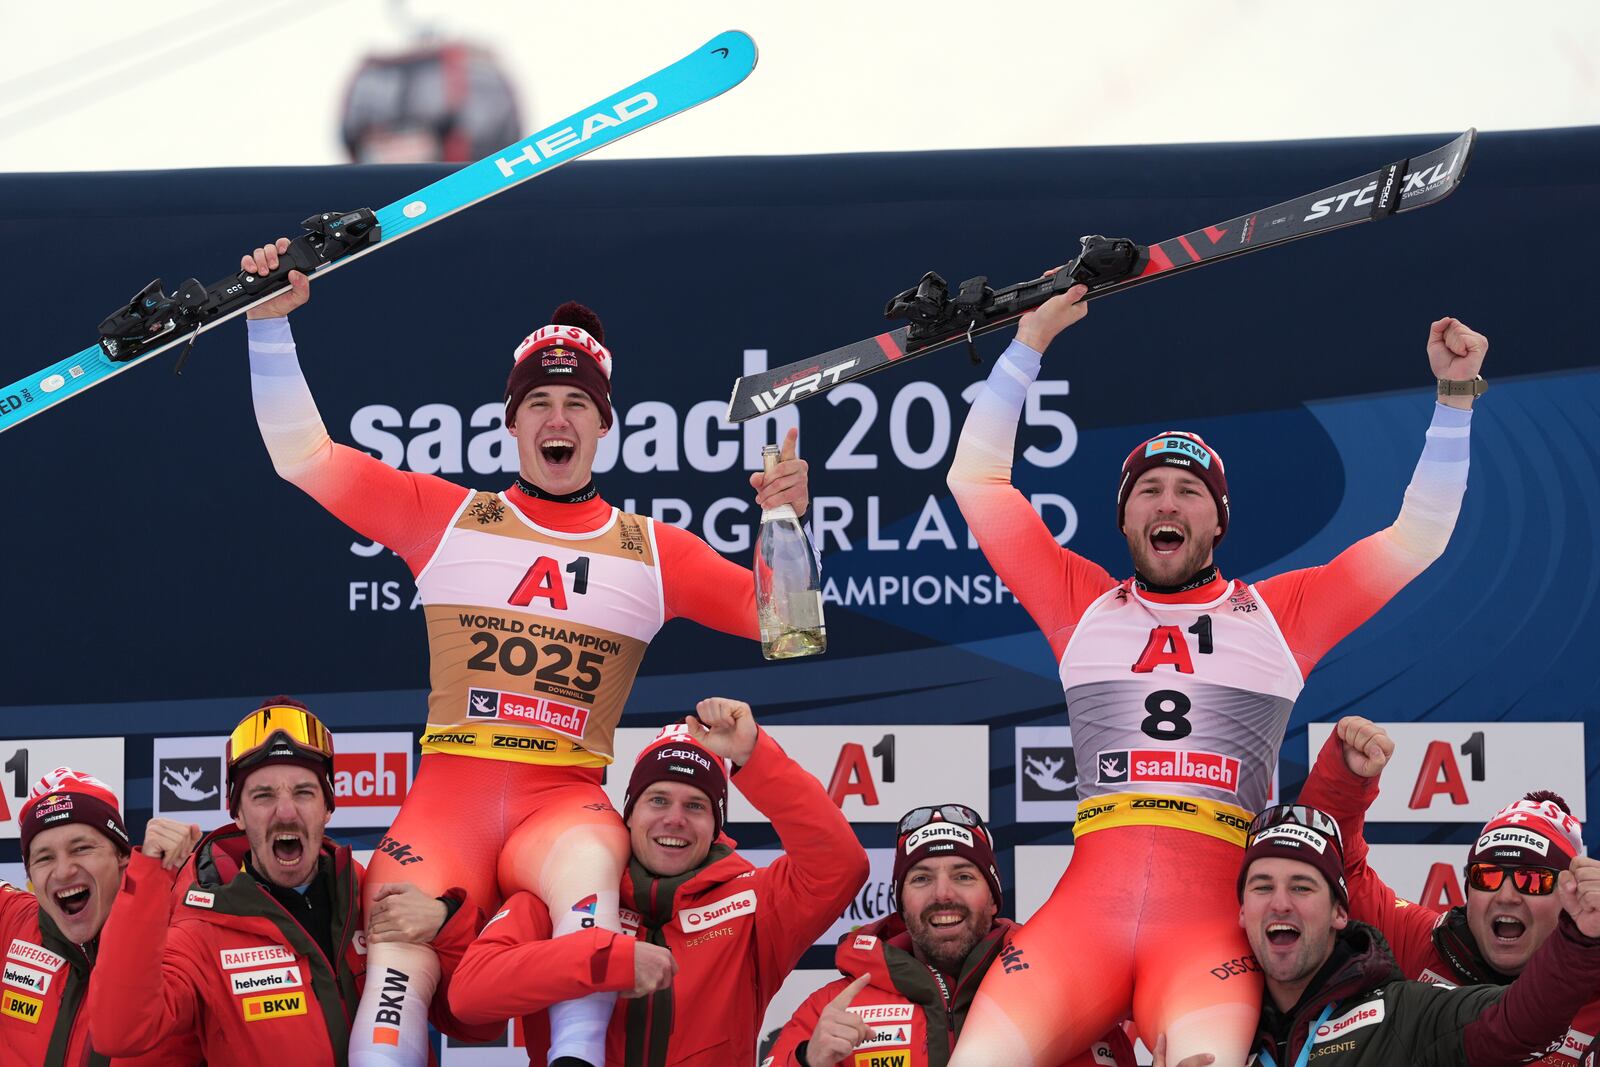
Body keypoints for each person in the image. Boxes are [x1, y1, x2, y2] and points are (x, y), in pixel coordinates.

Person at [241, 242, 811, 1067]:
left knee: (590, 885)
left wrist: (786, 525)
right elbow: (304, 458)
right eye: (538, 401)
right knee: (397, 949)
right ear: (510, 421)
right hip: (449, 802)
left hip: (562, 802)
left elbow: (785, 628)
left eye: (577, 403)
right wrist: (265, 330)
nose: (556, 419)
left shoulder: (652, 551)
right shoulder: (446, 517)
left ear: (605, 425)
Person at [943, 282, 1488, 1066]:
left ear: (1218, 519)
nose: (1169, 502)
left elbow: (1420, 535)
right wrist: (1025, 347)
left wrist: (1455, 396)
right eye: (1149, 491)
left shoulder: (1280, 615)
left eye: (1190, 491)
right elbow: (976, 482)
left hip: (1205, 942)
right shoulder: (1080, 603)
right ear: (1125, 519)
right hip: (1076, 930)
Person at [447, 697, 869, 1065]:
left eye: (696, 806)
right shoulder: (563, 889)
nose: (675, 819)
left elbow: (841, 866)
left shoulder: (756, 904)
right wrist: (604, 961)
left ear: (716, 824)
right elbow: (470, 995)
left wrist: (755, 757)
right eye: (658, 800)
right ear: (628, 813)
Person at [88, 697, 490, 1065]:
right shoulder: (201, 931)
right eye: (263, 795)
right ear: (239, 816)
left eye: (303, 792)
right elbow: (119, 1033)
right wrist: (146, 881)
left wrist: (446, 922)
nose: (285, 812)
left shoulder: (375, 895)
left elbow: (477, 1025)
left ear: (327, 808)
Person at [1298, 715, 1598, 1064]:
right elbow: (1329, 869)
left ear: (1569, 897)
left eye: (1531, 880)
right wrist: (1344, 780)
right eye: (1487, 876)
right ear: (1468, 886)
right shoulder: (1420, 941)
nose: (1506, 895)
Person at [1226, 804, 1600, 1065]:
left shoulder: (1407, 1015)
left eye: (1302, 887)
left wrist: (1582, 938)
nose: (1280, 903)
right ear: (1241, 910)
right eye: (1261, 887)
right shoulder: (1205, 1015)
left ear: (1341, 910)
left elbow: (1518, 1021)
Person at [765, 804, 1135, 1067]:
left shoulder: (1065, 996)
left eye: (963, 876)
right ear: (901, 903)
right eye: (922, 878)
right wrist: (808, 1061)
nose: (943, 894)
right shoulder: (833, 1009)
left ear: (993, 899)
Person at [0, 767, 199, 1067]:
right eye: (44, 857)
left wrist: (159, 874)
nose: (64, 870)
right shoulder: (12, 921)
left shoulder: (184, 943)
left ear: (123, 858)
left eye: (81, 848)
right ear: (30, 876)